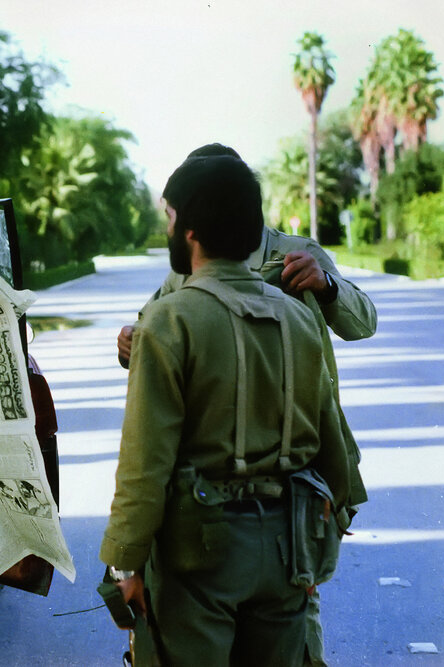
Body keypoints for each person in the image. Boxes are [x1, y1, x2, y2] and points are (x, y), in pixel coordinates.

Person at [116, 143, 377, 666]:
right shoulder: (181, 277)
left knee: (297, 636)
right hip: (221, 489)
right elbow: (149, 334)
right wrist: (130, 343)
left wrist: (325, 287)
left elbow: (361, 321)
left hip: (283, 483)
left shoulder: (297, 253)